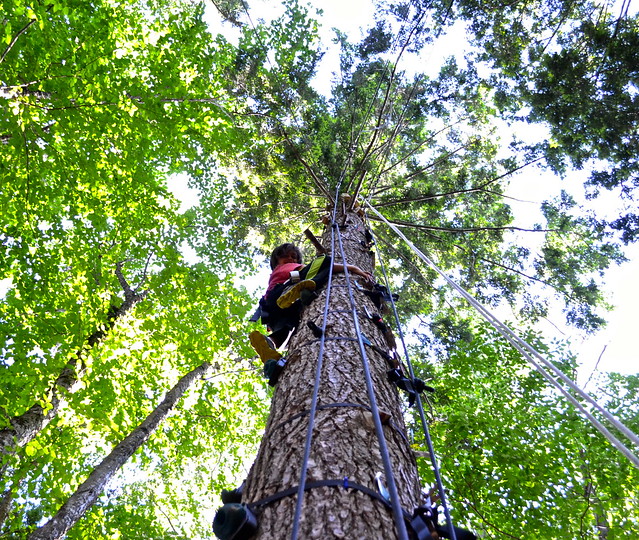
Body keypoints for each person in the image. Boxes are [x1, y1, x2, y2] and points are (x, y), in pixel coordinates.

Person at [249, 243, 373, 364]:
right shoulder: (284, 268)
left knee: (286, 331)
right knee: (325, 260)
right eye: (285, 256)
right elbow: (325, 266)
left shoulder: (278, 273)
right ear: (276, 261)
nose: (290, 259)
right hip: (279, 294)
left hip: (275, 311)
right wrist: (352, 268)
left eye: (293, 256)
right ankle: (302, 288)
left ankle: (270, 348)